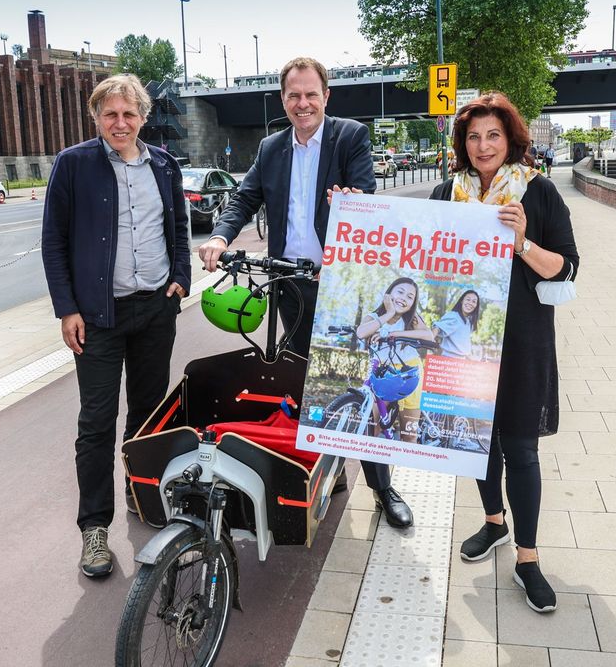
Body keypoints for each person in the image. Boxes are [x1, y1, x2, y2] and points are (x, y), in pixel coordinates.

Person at [197, 56, 414, 529]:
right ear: (283, 100)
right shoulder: (271, 147)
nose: (302, 103)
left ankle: (381, 486)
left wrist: (349, 205)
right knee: (302, 385)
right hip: (290, 287)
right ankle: (321, 470)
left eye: (311, 94)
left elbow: (367, 199)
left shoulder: (349, 136)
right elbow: (245, 197)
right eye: (294, 95)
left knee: (355, 380)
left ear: (326, 96)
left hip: (338, 287)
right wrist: (219, 236)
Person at [430, 92, 579, 613]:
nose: (483, 145)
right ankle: (494, 522)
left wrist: (520, 243)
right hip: (465, 345)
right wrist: (353, 212)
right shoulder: (447, 193)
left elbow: (566, 266)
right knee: (474, 440)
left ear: (510, 139)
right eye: (473, 136)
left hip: (521, 342)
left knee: (520, 449)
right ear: (462, 144)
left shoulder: (536, 194)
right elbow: (413, 249)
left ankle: (528, 559)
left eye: (493, 135)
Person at [41, 74, 190, 579]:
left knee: (149, 415)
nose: (120, 123)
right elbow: (54, 242)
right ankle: (94, 528)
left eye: (129, 114)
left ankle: (140, 491)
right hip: (97, 318)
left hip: (154, 310)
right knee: (97, 423)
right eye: (111, 114)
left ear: (143, 117)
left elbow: (180, 229)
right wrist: (67, 308)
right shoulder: (73, 165)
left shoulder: (165, 166)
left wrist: (180, 280)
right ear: (96, 117)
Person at [354, 277, 434, 443]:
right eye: (400, 292)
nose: (404, 298)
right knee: (371, 429)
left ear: (413, 303)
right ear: (389, 293)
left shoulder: (411, 319)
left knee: (408, 434)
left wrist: (394, 334)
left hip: (409, 373)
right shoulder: (374, 316)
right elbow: (361, 332)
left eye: (410, 297)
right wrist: (389, 313)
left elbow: (429, 335)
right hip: (383, 374)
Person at [431, 290, 481, 359]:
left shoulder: (468, 322)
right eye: (468, 299)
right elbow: (437, 328)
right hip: (449, 360)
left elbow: (463, 348)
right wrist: (429, 340)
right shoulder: (454, 316)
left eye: (474, 301)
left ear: (476, 306)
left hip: (461, 362)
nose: (470, 303)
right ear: (462, 301)